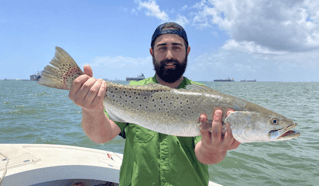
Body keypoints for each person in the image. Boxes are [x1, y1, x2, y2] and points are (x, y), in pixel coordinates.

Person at [69, 22, 240, 186]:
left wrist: (213, 148)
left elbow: (206, 156)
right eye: (162, 48)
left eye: (176, 47)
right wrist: (91, 110)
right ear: (152, 52)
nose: (169, 55)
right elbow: (101, 136)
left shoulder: (206, 99)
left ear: (187, 51)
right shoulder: (132, 91)